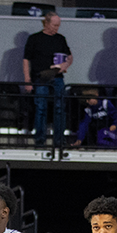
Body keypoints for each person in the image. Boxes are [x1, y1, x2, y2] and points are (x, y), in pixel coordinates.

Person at [21, 11, 72, 151]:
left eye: (58, 25)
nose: (56, 28)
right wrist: (27, 79)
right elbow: (26, 60)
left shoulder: (60, 39)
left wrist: (65, 65)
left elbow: (69, 56)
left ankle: (59, 141)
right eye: (54, 25)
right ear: (46, 23)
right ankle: (40, 140)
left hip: (57, 76)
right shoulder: (34, 39)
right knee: (41, 107)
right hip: (40, 76)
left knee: (59, 108)